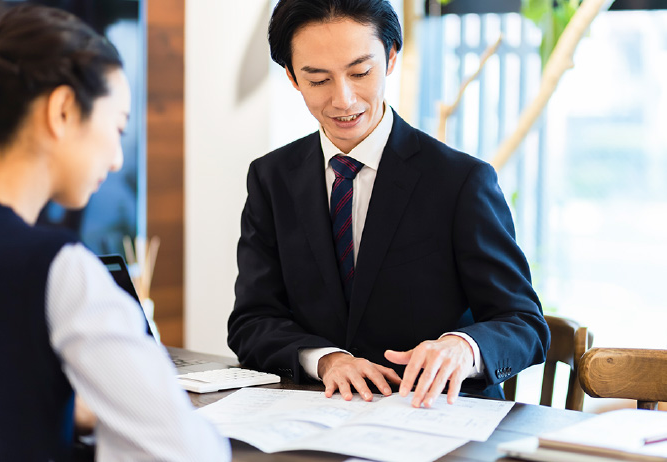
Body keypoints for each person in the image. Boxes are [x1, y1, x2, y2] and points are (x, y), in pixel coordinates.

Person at [228, 0, 550, 408]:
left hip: (439, 417)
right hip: (316, 416)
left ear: (391, 56)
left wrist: (463, 348)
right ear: (292, 77)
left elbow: (524, 324)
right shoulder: (272, 178)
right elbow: (252, 321)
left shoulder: (459, 180)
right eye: (318, 79)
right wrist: (326, 360)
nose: (343, 100)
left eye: (361, 72)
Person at [0, 5, 229, 461]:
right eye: (117, 127)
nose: (117, 159)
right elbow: (185, 451)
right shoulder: (58, 266)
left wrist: (61, 409)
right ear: (62, 110)